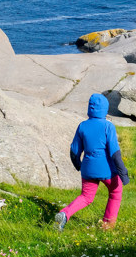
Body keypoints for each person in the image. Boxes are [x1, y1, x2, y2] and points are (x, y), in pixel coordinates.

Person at [55, 93, 129, 231]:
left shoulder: (82, 126)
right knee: (115, 191)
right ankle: (107, 225)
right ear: (105, 109)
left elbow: (74, 151)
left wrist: (79, 166)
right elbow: (115, 153)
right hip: (107, 170)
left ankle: (65, 213)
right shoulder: (108, 126)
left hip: (88, 168)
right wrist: (123, 174)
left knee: (86, 196)